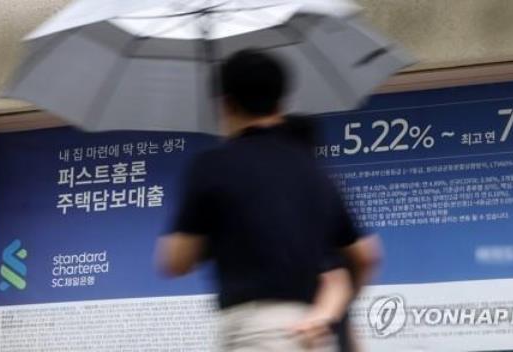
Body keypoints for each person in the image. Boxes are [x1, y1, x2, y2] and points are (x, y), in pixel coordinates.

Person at [155, 49, 381, 352]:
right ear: (281, 102)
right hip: (311, 332)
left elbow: (176, 261)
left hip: (256, 332)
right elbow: (366, 256)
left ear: (226, 104)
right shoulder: (313, 169)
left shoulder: (213, 165)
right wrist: (332, 313)